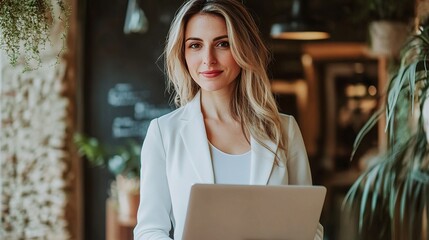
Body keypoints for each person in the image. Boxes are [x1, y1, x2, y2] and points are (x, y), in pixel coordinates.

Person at [133, 0, 323, 239]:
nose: (208, 59)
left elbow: (309, 226)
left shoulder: (284, 129)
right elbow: (150, 229)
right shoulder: (163, 133)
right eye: (195, 45)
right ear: (182, 53)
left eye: (222, 44)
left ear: (244, 48)